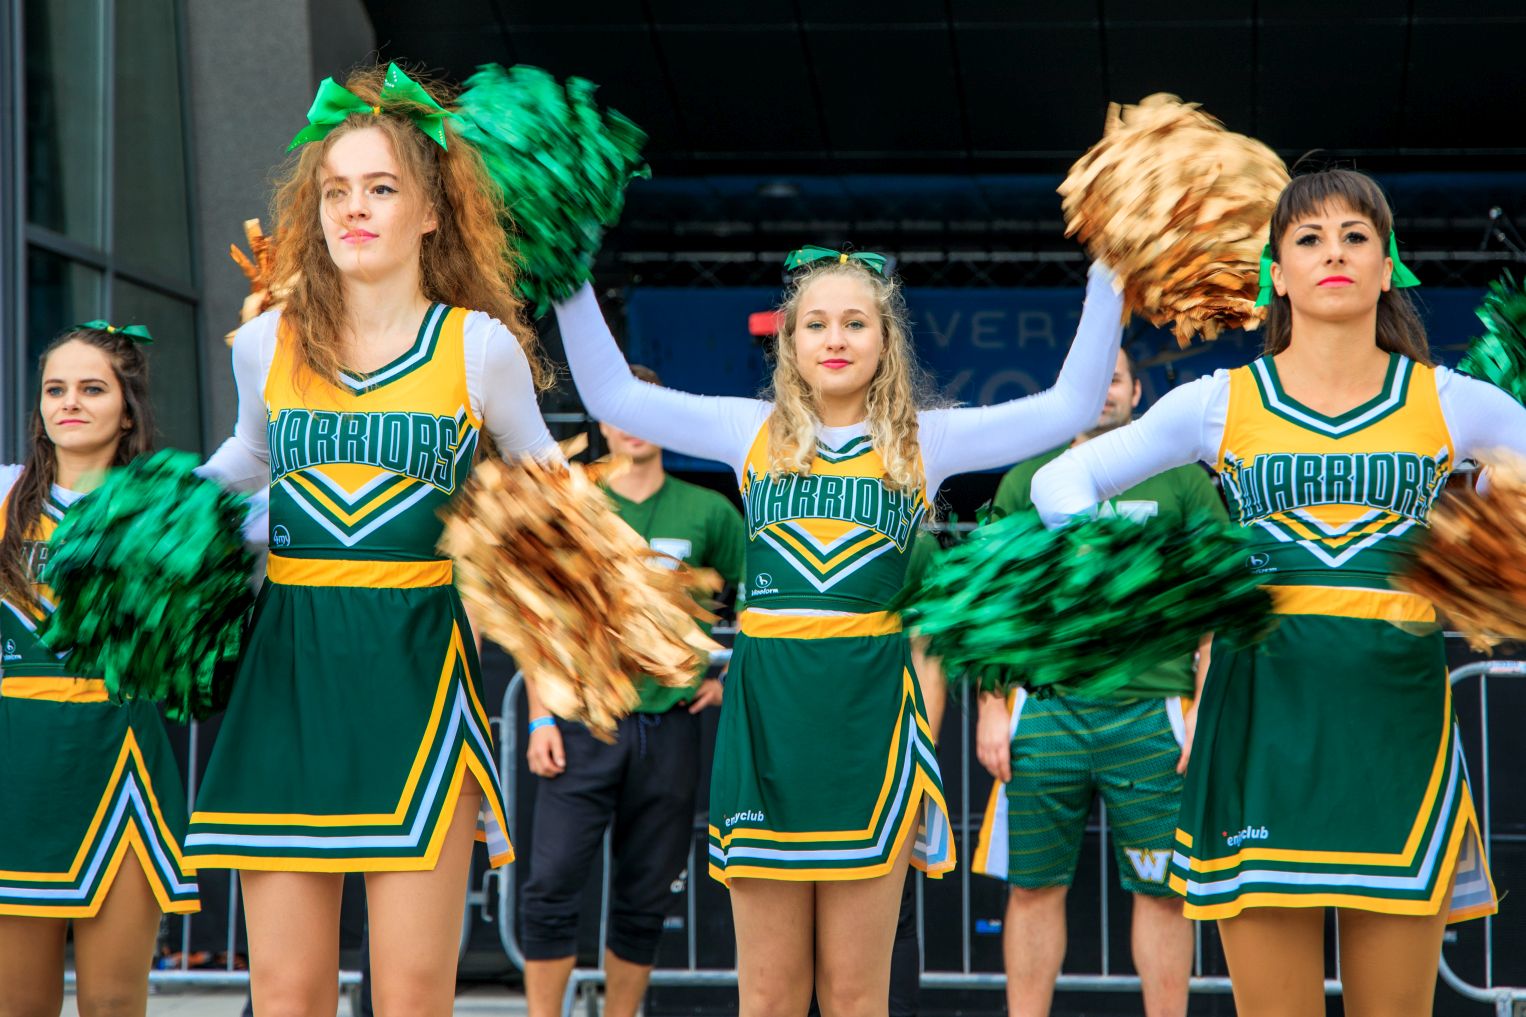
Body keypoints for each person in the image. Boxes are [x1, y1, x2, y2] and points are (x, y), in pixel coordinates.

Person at [553, 246, 1124, 1017]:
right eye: (816, 323)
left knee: (856, 994)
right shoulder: (748, 430)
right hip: (767, 728)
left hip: (869, 729)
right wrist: (568, 268)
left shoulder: (924, 440)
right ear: (789, 341)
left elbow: (1069, 406)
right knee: (769, 997)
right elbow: (611, 391)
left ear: (886, 341)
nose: (835, 338)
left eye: (856, 323)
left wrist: (1110, 271)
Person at [1032, 167, 1526, 1017]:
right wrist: (1151, 579)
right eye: (1309, 238)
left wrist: (1488, 513)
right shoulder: (1219, 402)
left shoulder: (1453, 401)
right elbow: (1060, 483)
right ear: (1277, 275)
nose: (1334, 253)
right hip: (1259, 722)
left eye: (1356, 237)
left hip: (1394, 729)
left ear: (1388, 268)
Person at [192, 63, 560, 1017]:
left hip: (418, 675)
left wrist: (579, 613)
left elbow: (550, 497)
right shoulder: (265, 343)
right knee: (287, 994)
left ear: (431, 212)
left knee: (411, 996)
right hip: (289, 674)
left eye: (381, 188)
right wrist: (147, 517)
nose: (354, 208)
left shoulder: (478, 348)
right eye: (336, 191)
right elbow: (247, 456)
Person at [971, 348, 1218, 1017]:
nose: (1105, 390)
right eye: (1094, 379)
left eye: (1117, 378)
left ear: (1137, 392)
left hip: (1152, 712)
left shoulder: (1182, 480)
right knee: (1031, 888)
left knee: (1163, 892)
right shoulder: (1027, 479)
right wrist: (991, 705)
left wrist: (1204, 705)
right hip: (1046, 711)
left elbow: (1216, 600)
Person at [520, 364, 746, 1017]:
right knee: (550, 885)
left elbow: (765, 598)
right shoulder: (572, 502)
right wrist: (539, 718)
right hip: (581, 722)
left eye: (647, 410)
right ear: (602, 419)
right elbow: (537, 618)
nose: (633, 425)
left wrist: (729, 677)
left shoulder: (709, 510)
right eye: (621, 410)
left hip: (668, 726)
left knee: (645, 896)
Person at [0, 324, 199, 1017]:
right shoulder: (6, 499)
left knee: (113, 1001)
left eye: (92, 389)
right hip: (18, 764)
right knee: (18, 1003)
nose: (70, 403)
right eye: (55, 389)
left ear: (127, 408)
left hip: (122, 759)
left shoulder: (168, 508)